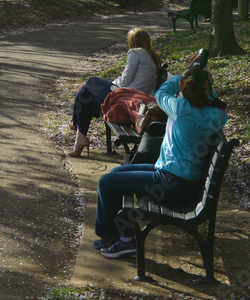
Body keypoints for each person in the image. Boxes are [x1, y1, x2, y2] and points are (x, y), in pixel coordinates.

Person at [93, 60, 227, 258]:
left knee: (106, 182)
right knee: (115, 174)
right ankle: (118, 236)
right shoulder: (215, 114)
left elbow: (160, 94)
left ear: (183, 85)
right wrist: (207, 86)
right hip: (180, 180)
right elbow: (215, 103)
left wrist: (176, 78)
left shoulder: (181, 108)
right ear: (206, 88)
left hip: (170, 183)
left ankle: (122, 240)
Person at [69, 28, 161, 158]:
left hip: (126, 98)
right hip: (138, 100)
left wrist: (110, 85)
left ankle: (75, 123)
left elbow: (125, 79)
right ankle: (80, 138)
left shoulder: (134, 53)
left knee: (93, 82)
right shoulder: (154, 56)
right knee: (83, 95)